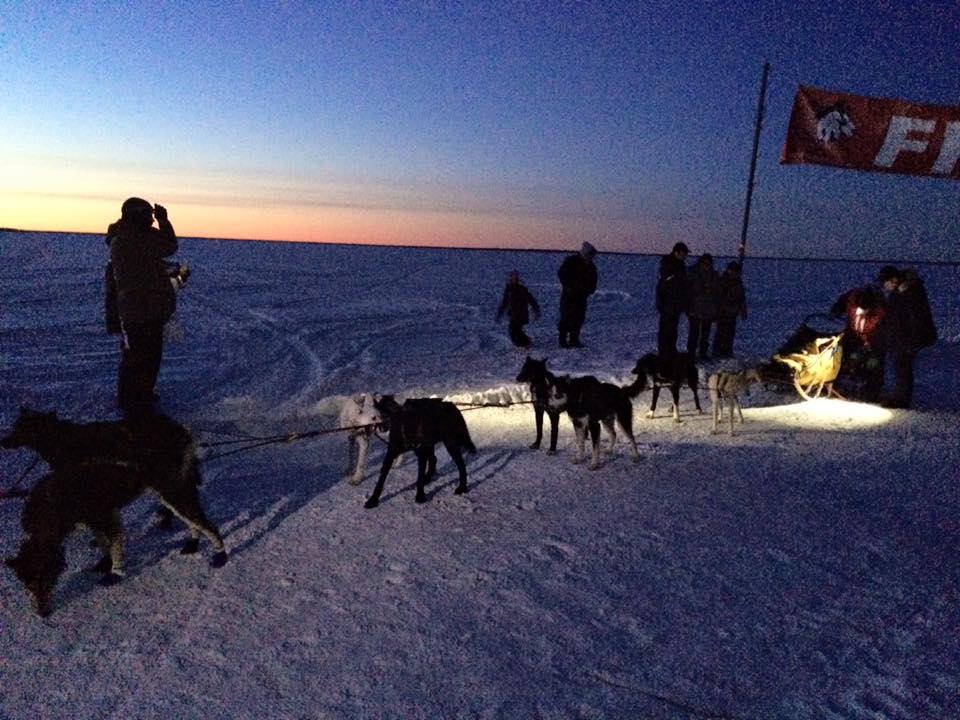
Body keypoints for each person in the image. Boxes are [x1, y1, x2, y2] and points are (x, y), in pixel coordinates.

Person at [106, 198, 179, 415]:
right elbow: (169, 246)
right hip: (143, 308)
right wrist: (164, 222)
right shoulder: (135, 237)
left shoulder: (122, 236)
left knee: (136, 357)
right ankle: (136, 402)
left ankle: (135, 397)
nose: (150, 219)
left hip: (137, 308)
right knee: (145, 357)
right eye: (147, 214)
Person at [877, 265, 937, 409]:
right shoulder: (898, 293)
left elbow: (917, 317)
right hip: (902, 336)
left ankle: (901, 400)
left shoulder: (911, 291)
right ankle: (899, 397)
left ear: (893, 279)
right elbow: (893, 315)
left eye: (886, 283)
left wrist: (912, 338)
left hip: (911, 337)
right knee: (900, 367)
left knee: (903, 367)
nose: (885, 287)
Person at [829, 283, 886, 401]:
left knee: (873, 363)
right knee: (838, 354)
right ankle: (835, 382)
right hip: (852, 335)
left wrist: (871, 344)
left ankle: (872, 391)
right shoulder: (852, 298)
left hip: (873, 340)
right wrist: (835, 311)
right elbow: (841, 303)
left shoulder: (880, 310)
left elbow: (881, 330)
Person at [557, 242, 598, 348]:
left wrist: (590, 290)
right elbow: (561, 273)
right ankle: (562, 340)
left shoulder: (591, 266)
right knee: (566, 317)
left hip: (582, 296)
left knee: (579, 318)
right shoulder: (571, 261)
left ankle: (574, 340)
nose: (591, 257)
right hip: (569, 295)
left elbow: (594, 279)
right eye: (590, 254)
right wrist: (568, 286)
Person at [656, 242, 690, 358]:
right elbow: (663, 287)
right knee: (665, 331)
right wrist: (663, 304)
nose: (685, 256)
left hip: (675, 306)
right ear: (677, 252)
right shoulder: (668, 266)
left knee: (672, 331)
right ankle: (664, 354)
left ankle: (670, 352)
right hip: (668, 305)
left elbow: (682, 287)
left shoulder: (680, 265)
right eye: (683, 253)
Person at [685, 253, 718, 361]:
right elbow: (689, 289)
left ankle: (703, 353)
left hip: (708, 310)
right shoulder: (693, 273)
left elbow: (717, 292)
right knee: (693, 333)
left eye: (709, 263)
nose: (707, 265)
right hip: (695, 308)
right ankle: (691, 353)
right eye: (705, 262)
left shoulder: (713, 275)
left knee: (705, 334)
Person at [496, 271, 541, 347]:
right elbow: (505, 302)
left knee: (514, 330)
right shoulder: (508, 289)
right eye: (511, 277)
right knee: (514, 330)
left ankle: (525, 343)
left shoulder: (521, 289)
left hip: (520, 314)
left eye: (514, 277)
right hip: (513, 315)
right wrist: (500, 313)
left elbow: (531, 299)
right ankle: (525, 343)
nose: (512, 279)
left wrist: (536, 310)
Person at [713, 261, 747, 358]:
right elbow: (717, 297)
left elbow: (742, 298)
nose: (733, 273)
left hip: (732, 313)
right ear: (728, 270)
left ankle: (727, 351)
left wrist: (743, 311)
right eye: (732, 270)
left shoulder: (738, 283)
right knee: (720, 333)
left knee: (730, 334)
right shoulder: (722, 281)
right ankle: (717, 351)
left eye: (735, 271)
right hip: (722, 312)